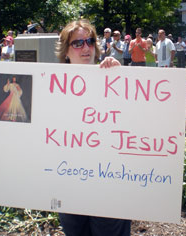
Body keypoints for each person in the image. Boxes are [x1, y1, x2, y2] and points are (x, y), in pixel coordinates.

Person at [55, 19, 131, 236]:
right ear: (65, 51)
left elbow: (133, 125)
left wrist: (120, 79)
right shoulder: (49, 87)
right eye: (77, 43)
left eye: (89, 41)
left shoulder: (113, 80)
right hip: (68, 184)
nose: (86, 47)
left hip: (109, 186)